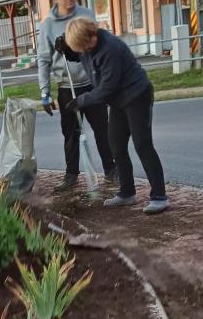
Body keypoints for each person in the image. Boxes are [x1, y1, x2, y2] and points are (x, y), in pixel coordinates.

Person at [60, 17, 168, 214]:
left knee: (142, 145)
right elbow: (84, 58)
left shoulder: (110, 49)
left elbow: (107, 88)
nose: (82, 50)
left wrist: (81, 101)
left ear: (90, 37)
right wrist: (67, 50)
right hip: (119, 102)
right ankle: (127, 193)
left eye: (82, 46)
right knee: (116, 146)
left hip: (137, 96)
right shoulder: (88, 47)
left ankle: (159, 196)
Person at [37, 0, 116, 191]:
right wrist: (45, 92)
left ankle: (111, 170)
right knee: (71, 134)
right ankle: (71, 175)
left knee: (102, 130)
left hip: (91, 84)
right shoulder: (48, 26)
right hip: (66, 87)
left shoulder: (86, 15)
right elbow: (43, 60)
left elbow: (99, 47)